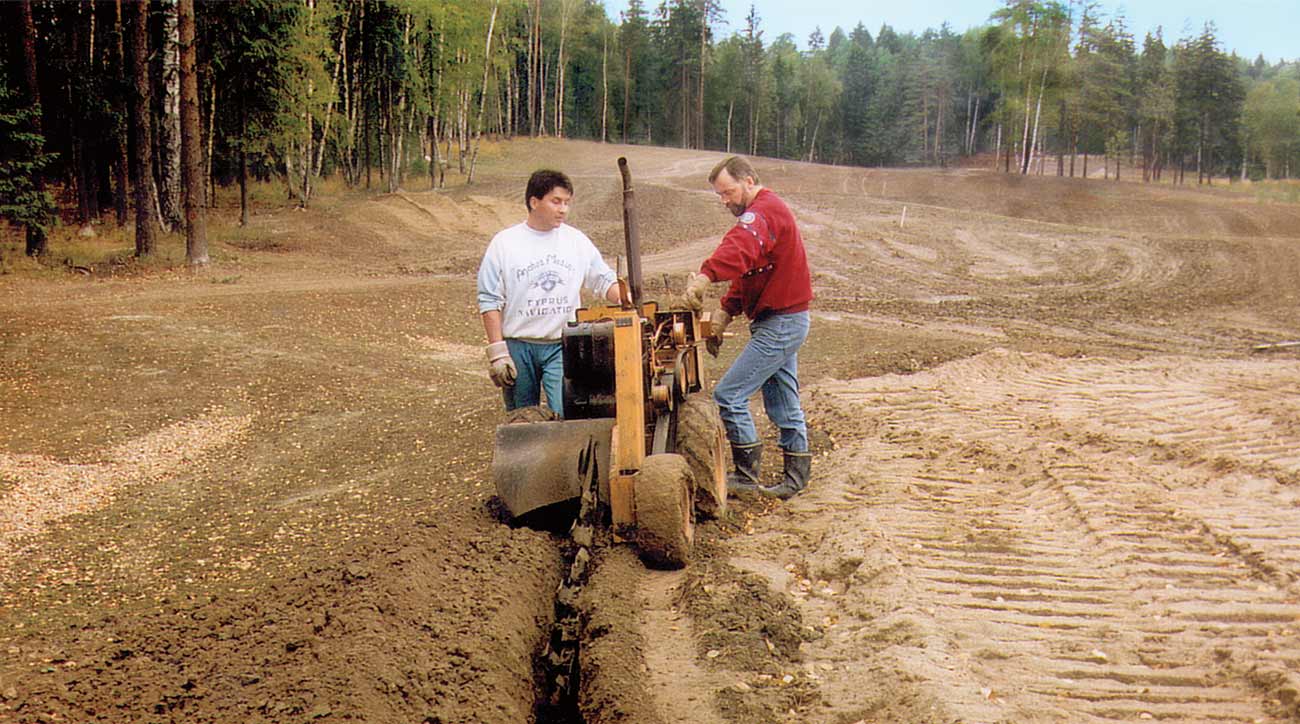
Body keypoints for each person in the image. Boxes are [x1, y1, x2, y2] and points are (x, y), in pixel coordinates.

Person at [683, 156, 813, 500]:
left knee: (729, 395)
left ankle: (745, 475)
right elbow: (750, 273)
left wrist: (705, 275)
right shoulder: (765, 216)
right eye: (720, 196)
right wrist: (726, 311)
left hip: (781, 323)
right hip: (780, 321)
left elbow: (739, 248)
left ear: (750, 181)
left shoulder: (764, 212)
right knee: (784, 401)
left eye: (728, 192)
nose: (724, 201)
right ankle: (796, 479)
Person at [477, 169, 621, 416]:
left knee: (565, 413)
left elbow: (603, 280)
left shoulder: (576, 241)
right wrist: (498, 353)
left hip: (562, 344)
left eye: (567, 203)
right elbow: (489, 300)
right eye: (556, 201)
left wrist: (624, 297)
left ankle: (562, 454)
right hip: (519, 345)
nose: (563, 209)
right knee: (521, 417)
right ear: (534, 202)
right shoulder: (504, 244)